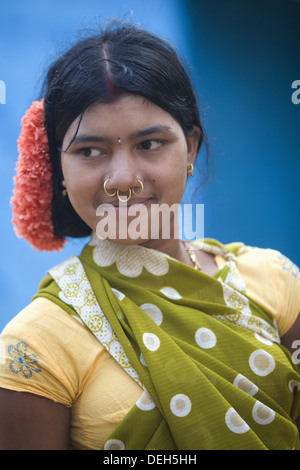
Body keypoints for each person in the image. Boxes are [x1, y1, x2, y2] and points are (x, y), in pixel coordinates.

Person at [0, 22, 300, 451]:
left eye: (150, 143)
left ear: (191, 147)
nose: (123, 179)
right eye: (90, 151)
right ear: (59, 167)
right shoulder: (35, 345)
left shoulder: (274, 283)